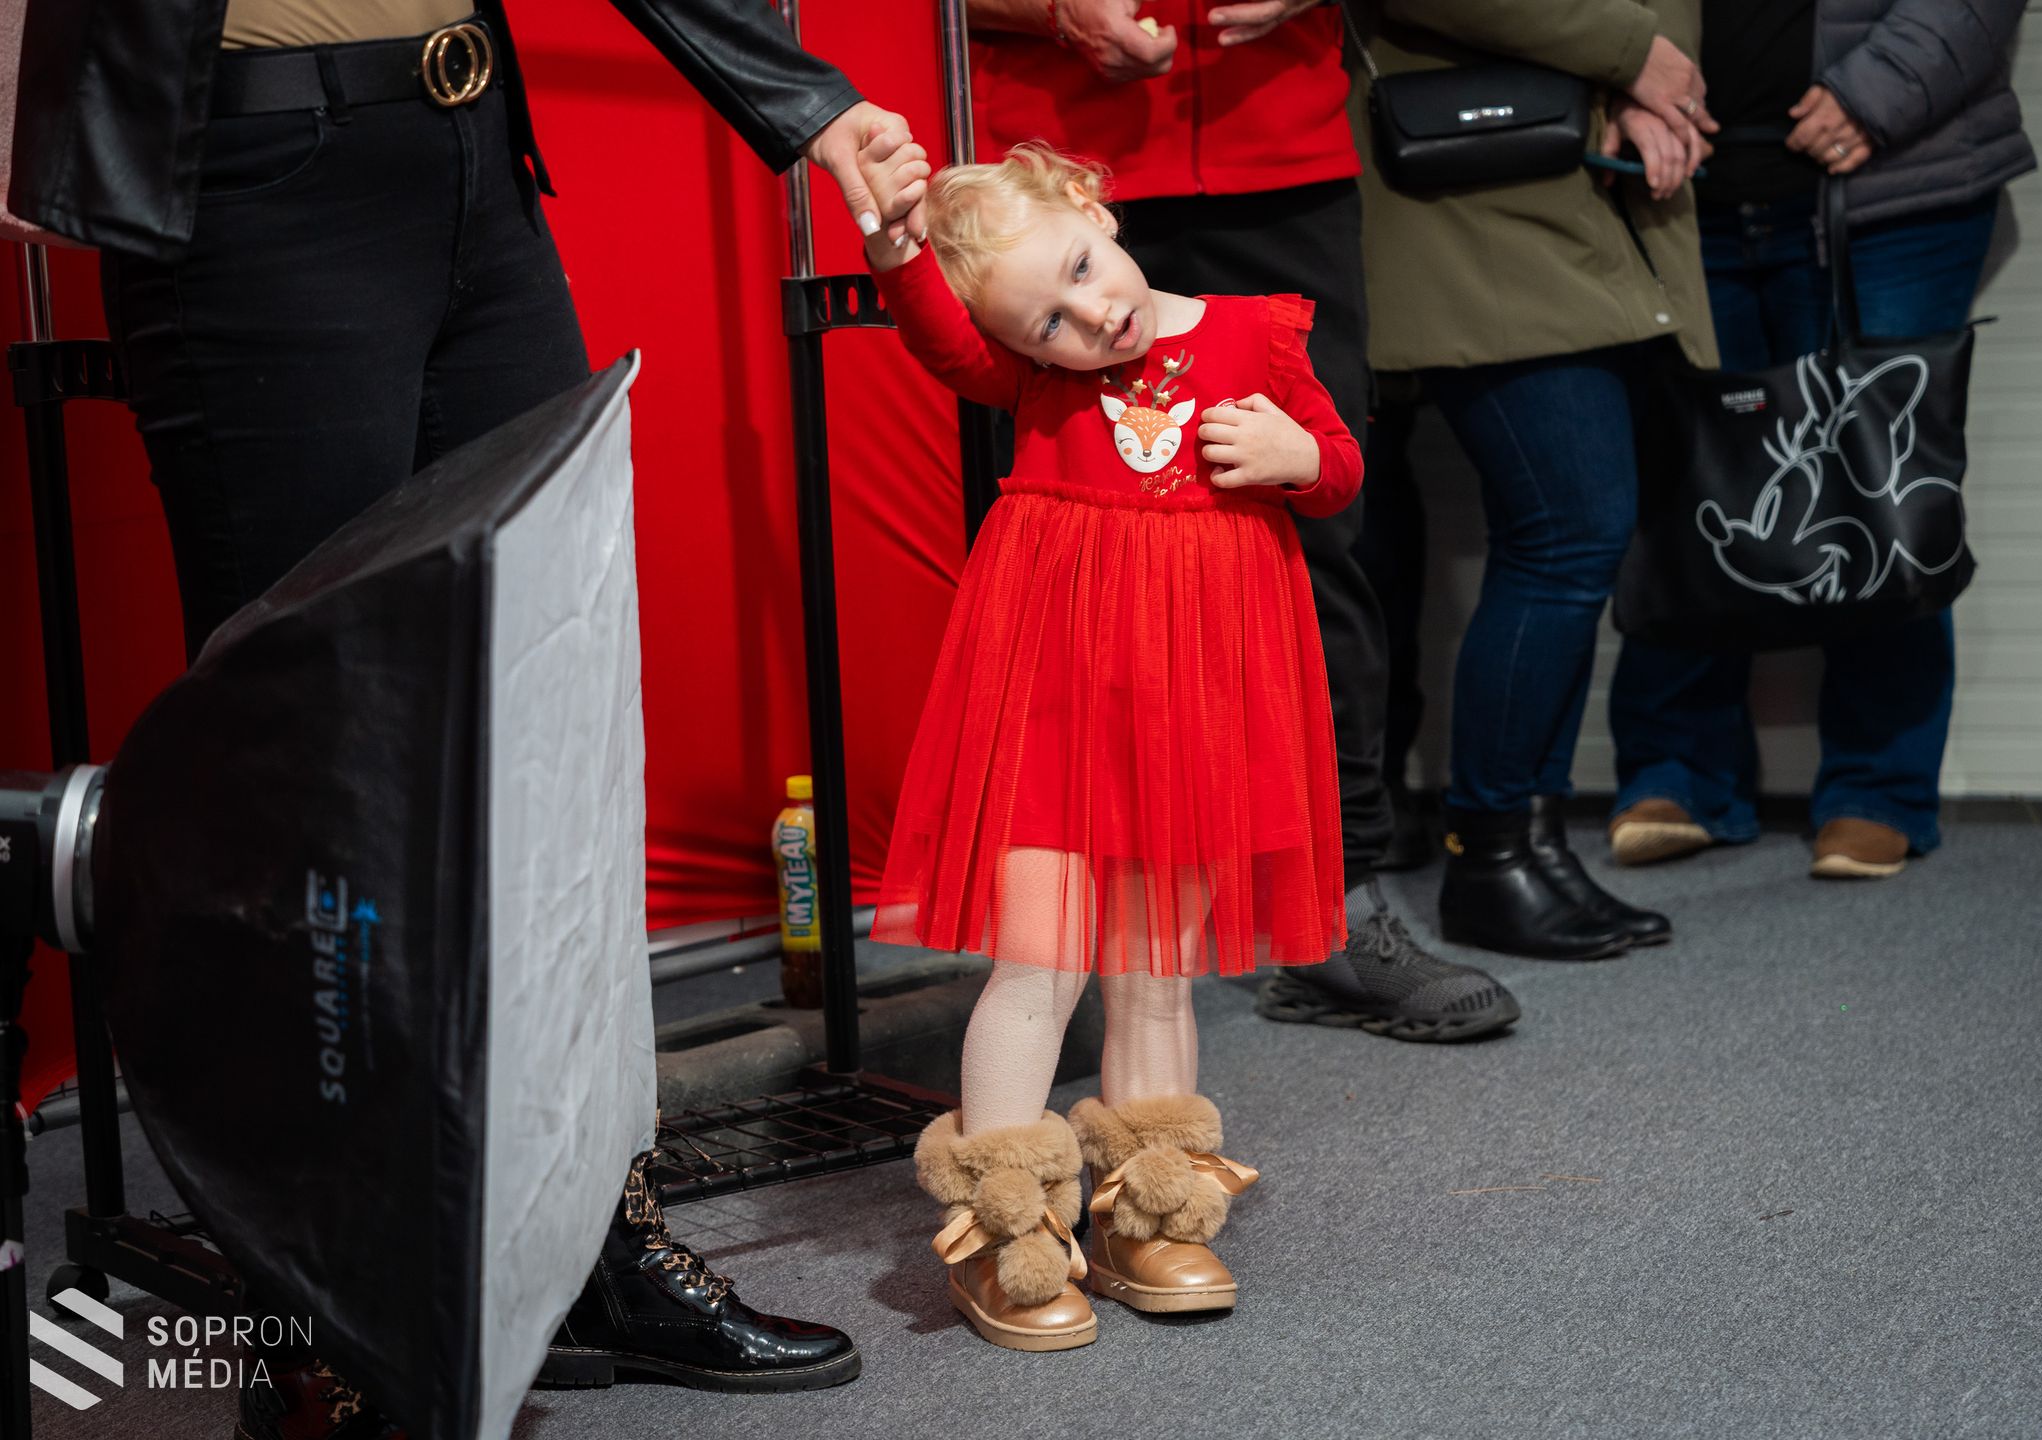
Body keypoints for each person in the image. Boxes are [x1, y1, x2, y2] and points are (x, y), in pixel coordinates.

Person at [10, 0, 930, 1427]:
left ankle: (589, 1257)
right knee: (314, 784)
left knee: (543, 730)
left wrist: (803, 101)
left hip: (469, 150)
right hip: (257, 174)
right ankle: (328, 1316)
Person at [856, 141, 1356, 1349]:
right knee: (1039, 962)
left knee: (1156, 971)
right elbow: (938, 338)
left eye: (1084, 268)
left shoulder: (1258, 332)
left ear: (1095, 207)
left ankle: (1150, 1204)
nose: (1093, 314)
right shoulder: (1031, 384)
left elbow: (1337, 462)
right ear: (1024, 356)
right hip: (1054, 707)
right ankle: (1006, 1221)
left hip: (1190, 716)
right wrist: (895, 255)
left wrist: (1296, 462)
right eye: (1054, 326)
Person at [962, 0, 1522, 1044]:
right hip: (1057, 170)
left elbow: (1330, 484)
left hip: (1279, 153)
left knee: (1318, 542)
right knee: (1078, 570)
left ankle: (1337, 909)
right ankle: (1061, 933)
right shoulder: (1069, 270)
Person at [1606, 0, 2035, 881]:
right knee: (1685, 487)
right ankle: (1679, 771)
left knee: (1881, 487)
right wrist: (1618, 79)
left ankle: (1879, 787)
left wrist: (1878, 92)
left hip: (1896, 173)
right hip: (1681, 184)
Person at [1350, 0, 1719, 962]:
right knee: (1568, 530)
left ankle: (1532, 846)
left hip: (1553, 172)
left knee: (1568, 535)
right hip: (1482, 180)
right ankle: (1489, 858)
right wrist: (1634, 59)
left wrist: (1646, 80)